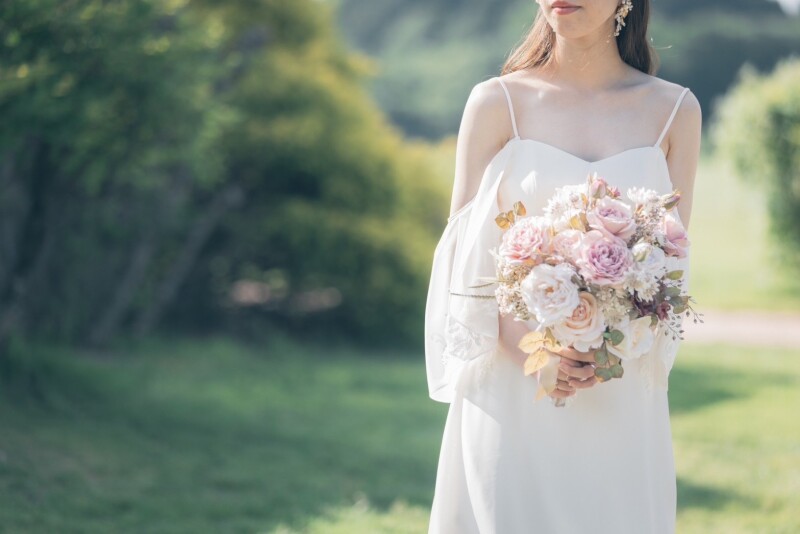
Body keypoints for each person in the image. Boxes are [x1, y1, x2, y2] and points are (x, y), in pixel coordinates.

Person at [423, 0, 702, 532]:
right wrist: (535, 349)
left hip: (617, 391)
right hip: (512, 385)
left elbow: (671, 264)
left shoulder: (675, 111)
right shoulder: (496, 102)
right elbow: (461, 261)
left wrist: (608, 342)